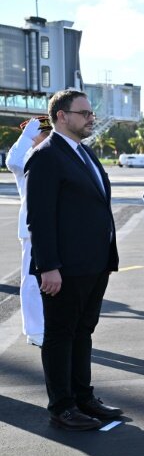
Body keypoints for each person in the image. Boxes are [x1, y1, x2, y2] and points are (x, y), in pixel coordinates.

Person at [25, 89, 122, 430]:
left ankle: (84, 397)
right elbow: (39, 216)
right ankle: (63, 407)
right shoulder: (46, 156)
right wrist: (48, 266)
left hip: (94, 263)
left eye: (90, 113)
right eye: (84, 113)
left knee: (83, 331)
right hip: (64, 267)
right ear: (62, 116)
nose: (90, 118)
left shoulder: (84, 153)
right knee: (60, 334)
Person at [6, 116, 52, 347]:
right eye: (43, 134)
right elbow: (12, 160)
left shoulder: (54, 156)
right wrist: (24, 138)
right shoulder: (25, 158)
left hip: (56, 228)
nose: (47, 139)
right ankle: (35, 330)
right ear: (33, 137)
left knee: (54, 280)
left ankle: (49, 325)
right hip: (32, 230)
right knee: (32, 281)